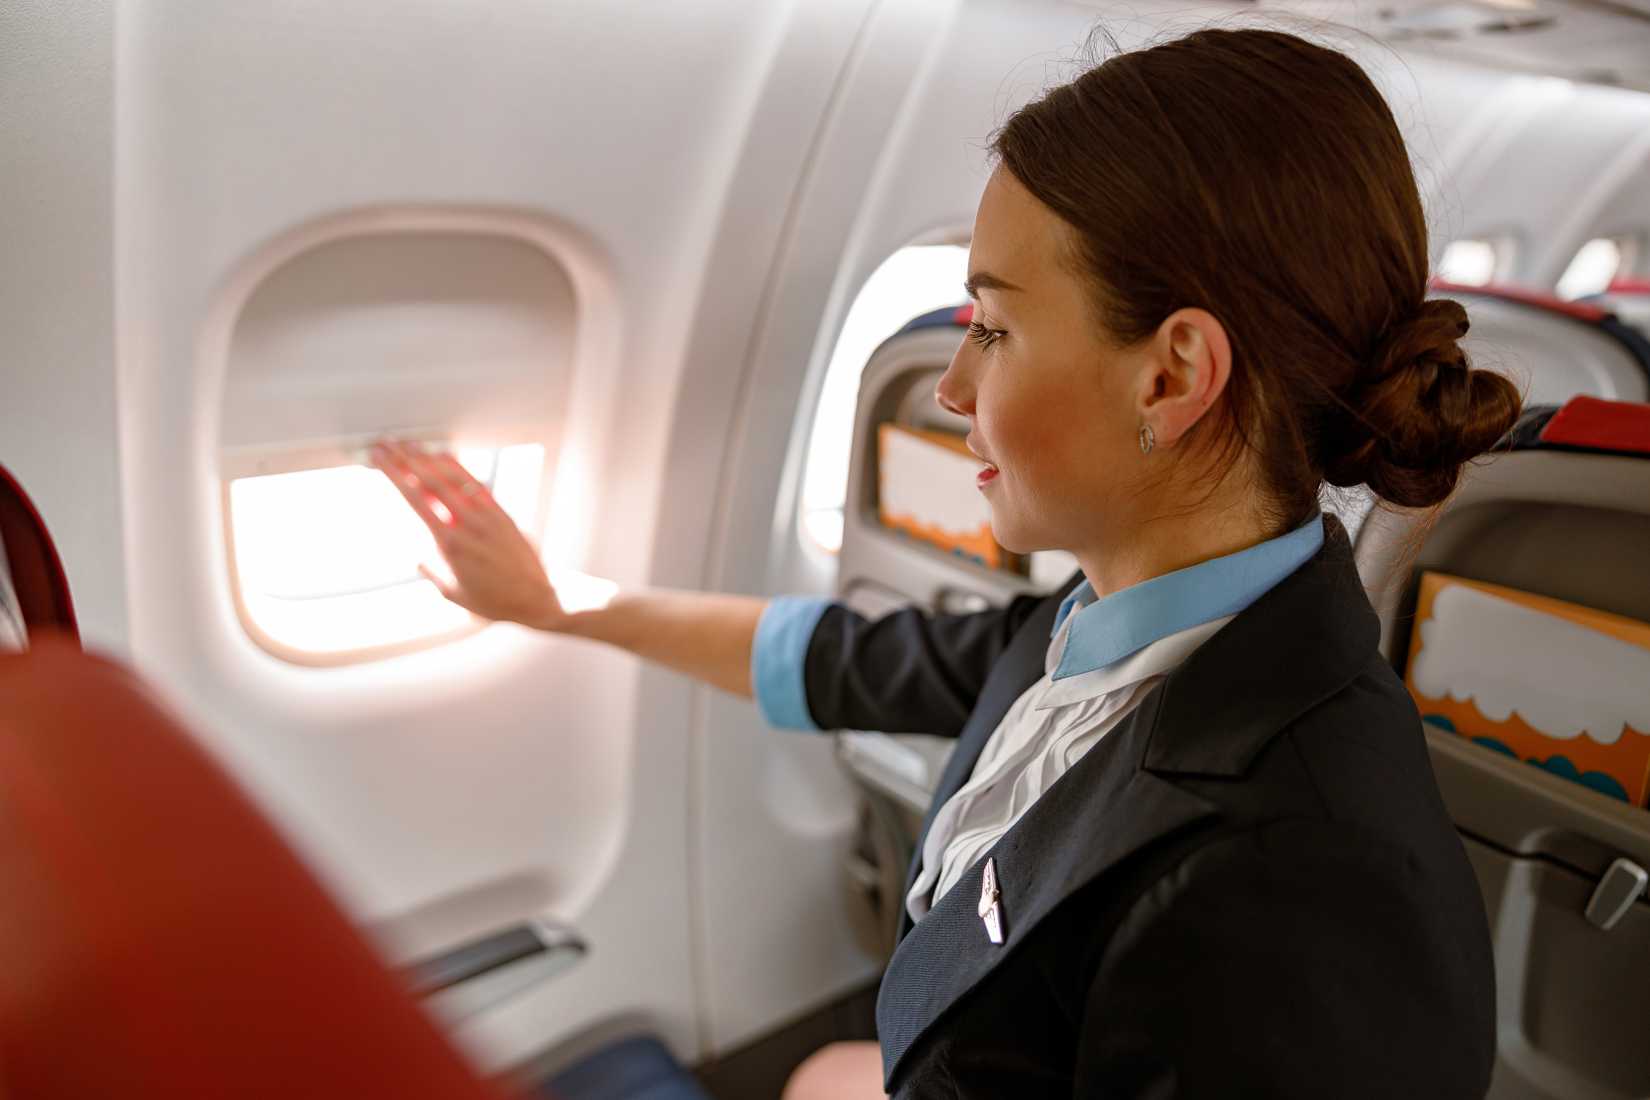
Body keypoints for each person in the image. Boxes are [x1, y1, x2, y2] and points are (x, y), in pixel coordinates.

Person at [371, 25, 1520, 1099]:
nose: (955, 387)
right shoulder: (1110, 626)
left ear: (1171, 374)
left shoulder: (1297, 894)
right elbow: (846, 662)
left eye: (994, 325)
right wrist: (560, 604)